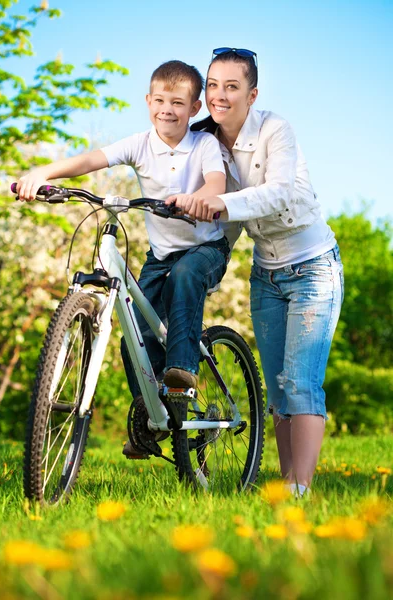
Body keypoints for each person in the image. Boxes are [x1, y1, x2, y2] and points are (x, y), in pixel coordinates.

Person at [16, 59, 231, 457]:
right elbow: (89, 161)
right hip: (160, 254)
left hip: (204, 250)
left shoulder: (204, 146)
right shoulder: (139, 144)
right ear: (148, 101)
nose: (168, 109)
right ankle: (150, 418)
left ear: (195, 108)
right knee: (134, 335)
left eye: (178, 103)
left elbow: (216, 182)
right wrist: (44, 172)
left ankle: (182, 377)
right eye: (160, 100)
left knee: (185, 277)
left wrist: (198, 198)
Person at [170, 48, 344, 495]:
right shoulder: (204, 142)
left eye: (231, 86)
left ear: (252, 93)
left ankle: (299, 491)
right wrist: (202, 268)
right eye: (212, 85)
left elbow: (279, 194)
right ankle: (289, 486)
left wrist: (222, 202)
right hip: (266, 273)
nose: (219, 96)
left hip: (312, 269)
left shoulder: (275, 130)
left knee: (301, 382)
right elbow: (222, 229)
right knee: (280, 393)